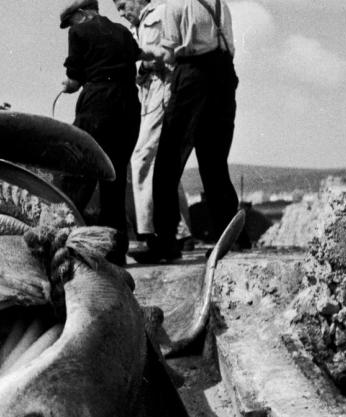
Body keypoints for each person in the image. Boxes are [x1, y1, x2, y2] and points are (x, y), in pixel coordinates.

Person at [135, 0, 239, 263]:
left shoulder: (175, 4)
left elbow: (168, 54)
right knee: (214, 163)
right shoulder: (220, 4)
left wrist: (144, 58)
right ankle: (230, 237)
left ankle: (166, 242)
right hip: (224, 75)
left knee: (168, 162)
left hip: (193, 75)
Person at [60, 0, 141, 264]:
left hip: (98, 104)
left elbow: (73, 80)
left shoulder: (79, 32)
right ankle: (116, 253)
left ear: (82, 14)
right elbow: (136, 56)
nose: (70, 27)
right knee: (114, 180)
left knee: (78, 173)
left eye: (70, 21)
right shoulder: (122, 31)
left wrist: (68, 85)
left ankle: (58, 242)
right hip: (129, 105)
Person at [116, 0, 195, 253]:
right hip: (148, 93)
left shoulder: (162, 13)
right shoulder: (134, 29)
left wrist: (154, 64)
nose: (121, 12)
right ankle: (179, 232)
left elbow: (174, 51)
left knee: (143, 158)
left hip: (164, 89)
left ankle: (150, 232)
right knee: (162, 166)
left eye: (123, 4)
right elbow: (136, 66)